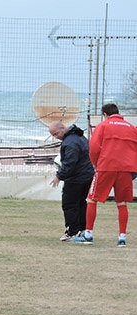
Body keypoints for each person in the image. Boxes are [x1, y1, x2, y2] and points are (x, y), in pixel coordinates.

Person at [72, 103, 137, 247]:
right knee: (122, 202)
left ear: (105, 114)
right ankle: (122, 237)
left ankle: (88, 234)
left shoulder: (103, 126)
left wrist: (96, 164)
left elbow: (94, 148)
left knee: (92, 199)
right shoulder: (132, 128)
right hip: (126, 168)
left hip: (106, 166)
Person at [48, 121, 94, 241]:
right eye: (53, 135)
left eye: (56, 134)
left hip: (76, 178)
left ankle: (72, 231)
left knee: (69, 204)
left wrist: (59, 176)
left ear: (63, 128)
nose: (56, 137)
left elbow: (70, 162)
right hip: (87, 175)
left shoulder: (70, 142)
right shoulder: (80, 137)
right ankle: (83, 229)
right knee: (81, 203)